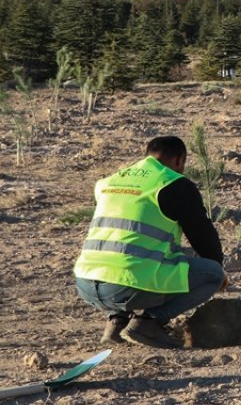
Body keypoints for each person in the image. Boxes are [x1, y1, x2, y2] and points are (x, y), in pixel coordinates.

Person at [73, 136, 226, 349]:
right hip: (125, 287)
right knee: (213, 274)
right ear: (180, 160)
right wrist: (219, 270)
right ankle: (148, 324)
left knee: (128, 255)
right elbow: (203, 238)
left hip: (85, 284)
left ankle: (116, 323)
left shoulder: (109, 182)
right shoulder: (173, 183)